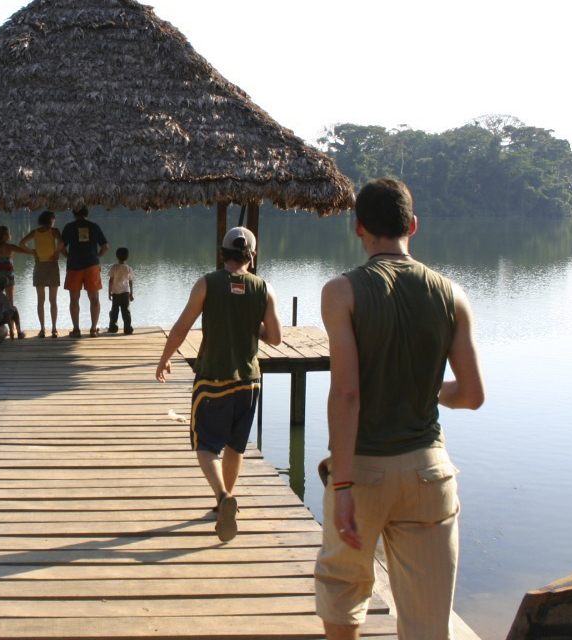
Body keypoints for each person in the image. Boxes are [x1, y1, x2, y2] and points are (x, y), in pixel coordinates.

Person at [315, 178, 485, 640]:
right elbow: (471, 395)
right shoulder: (452, 294)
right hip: (429, 472)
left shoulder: (342, 292)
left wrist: (344, 483)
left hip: (363, 470)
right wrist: (429, 392)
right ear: (413, 224)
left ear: (358, 228)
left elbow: (347, 394)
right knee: (429, 621)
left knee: (343, 590)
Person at [155, 227, 281, 542]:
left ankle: (223, 497)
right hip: (249, 381)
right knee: (236, 446)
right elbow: (276, 338)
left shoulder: (207, 284)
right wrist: (254, 328)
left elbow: (182, 327)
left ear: (222, 252)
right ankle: (223, 502)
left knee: (207, 446)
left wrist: (165, 358)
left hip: (213, 380)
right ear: (252, 256)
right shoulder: (264, 288)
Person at [60, 206, 108, 337]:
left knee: (74, 299)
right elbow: (105, 247)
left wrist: (68, 256)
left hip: (74, 266)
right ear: (87, 213)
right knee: (94, 298)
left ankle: (76, 329)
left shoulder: (69, 227)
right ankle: (93, 329)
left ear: (74, 213)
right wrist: (97, 256)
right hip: (92, 266)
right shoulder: (94, 226)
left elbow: (60, 247)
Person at [18, 210, 64, 338]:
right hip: (52, 265)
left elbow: (21, 244)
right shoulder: (55, 231)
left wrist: (33, 252)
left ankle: (42, 329)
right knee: (53, 300)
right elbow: (61, 243)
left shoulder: (35, 232)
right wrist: (56, 253)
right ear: (51, 220)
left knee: (40, 300)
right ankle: (54, 329)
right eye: (53, 219)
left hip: (39, 266)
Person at [0, 225, 33, 310]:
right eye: (9, 234)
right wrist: (35, 252)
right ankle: (11, 322)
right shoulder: (11, 247)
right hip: (8, 277)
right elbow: (26, 252)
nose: (11, 235)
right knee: (10, 303)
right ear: (5, 236)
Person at [106, 247, 135, 334]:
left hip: (116, 293)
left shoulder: (114, 268)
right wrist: (131, 293)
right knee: (126, 311)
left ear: (117, 257)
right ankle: (127, 328)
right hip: (125, 293)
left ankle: (113, 328)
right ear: (127, 257)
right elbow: (131, 281)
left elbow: (110, 281)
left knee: (114, 311)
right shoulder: (128, 268)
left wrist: (109, 292)